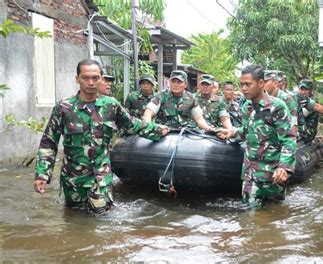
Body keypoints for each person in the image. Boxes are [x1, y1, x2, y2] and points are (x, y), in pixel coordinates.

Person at [33, 59, 169, 214]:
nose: (90, 82)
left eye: (95, 78)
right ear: (77, 78)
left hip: (101, 177)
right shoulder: (64, 107)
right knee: (74, 220)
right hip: (73, 180)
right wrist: (42, 174)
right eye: (85, 77)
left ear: (101, 78)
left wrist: (158, 130)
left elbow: (132, 124)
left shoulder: (110, 105)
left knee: (102, 222)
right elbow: (49, 142)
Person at [217, 64, 297, 209]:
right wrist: (233, 132)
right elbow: (248, 131)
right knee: (251, 217)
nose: (244, 89)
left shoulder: (276, 107)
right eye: (241, 85)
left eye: (248, 84)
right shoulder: (246, 107)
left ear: (260, 83)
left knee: (276, 215)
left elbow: (289, 138)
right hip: (250, 174)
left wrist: (284, 167)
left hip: (273, 174)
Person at [142, 70, 213, 130]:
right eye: (173, 81)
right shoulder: (161, 96)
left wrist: (208, 128)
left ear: (185, 85)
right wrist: (151, 127)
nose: (175, 85)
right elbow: (147, 114)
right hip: (164, 132)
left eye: (179, 82)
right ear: (169, 83)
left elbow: (199, 119)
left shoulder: (191, 99)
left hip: (185, 133)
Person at [297, 79, 323, 143]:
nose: (303, 92)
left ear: (311, 90)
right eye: (301, 89)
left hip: (307, 132)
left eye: (306, 89)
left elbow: (300, 115)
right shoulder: (299, 99)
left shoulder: (311, 102)